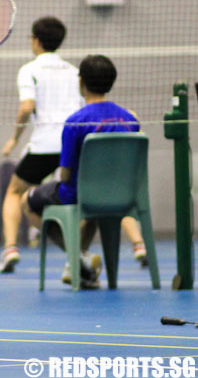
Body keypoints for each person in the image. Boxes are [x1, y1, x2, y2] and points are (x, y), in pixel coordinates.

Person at [20, 54, 143, 289]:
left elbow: (65, 174)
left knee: (26, 200)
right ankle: (80, 262)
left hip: (81, 193)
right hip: (120, 193)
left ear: (81, 82)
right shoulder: (129, 119)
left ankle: (78, 255)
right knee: (93, 211)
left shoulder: (75, 121)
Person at [0, 17, 82, 273]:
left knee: (14, 191)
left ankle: (10, 248)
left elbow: (26, 108)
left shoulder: (29, 69)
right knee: (72, 199)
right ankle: (77, 253)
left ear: (35, 40)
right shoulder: (74, 71)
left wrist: (14, 138)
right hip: (71, 145)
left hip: (44, 144)